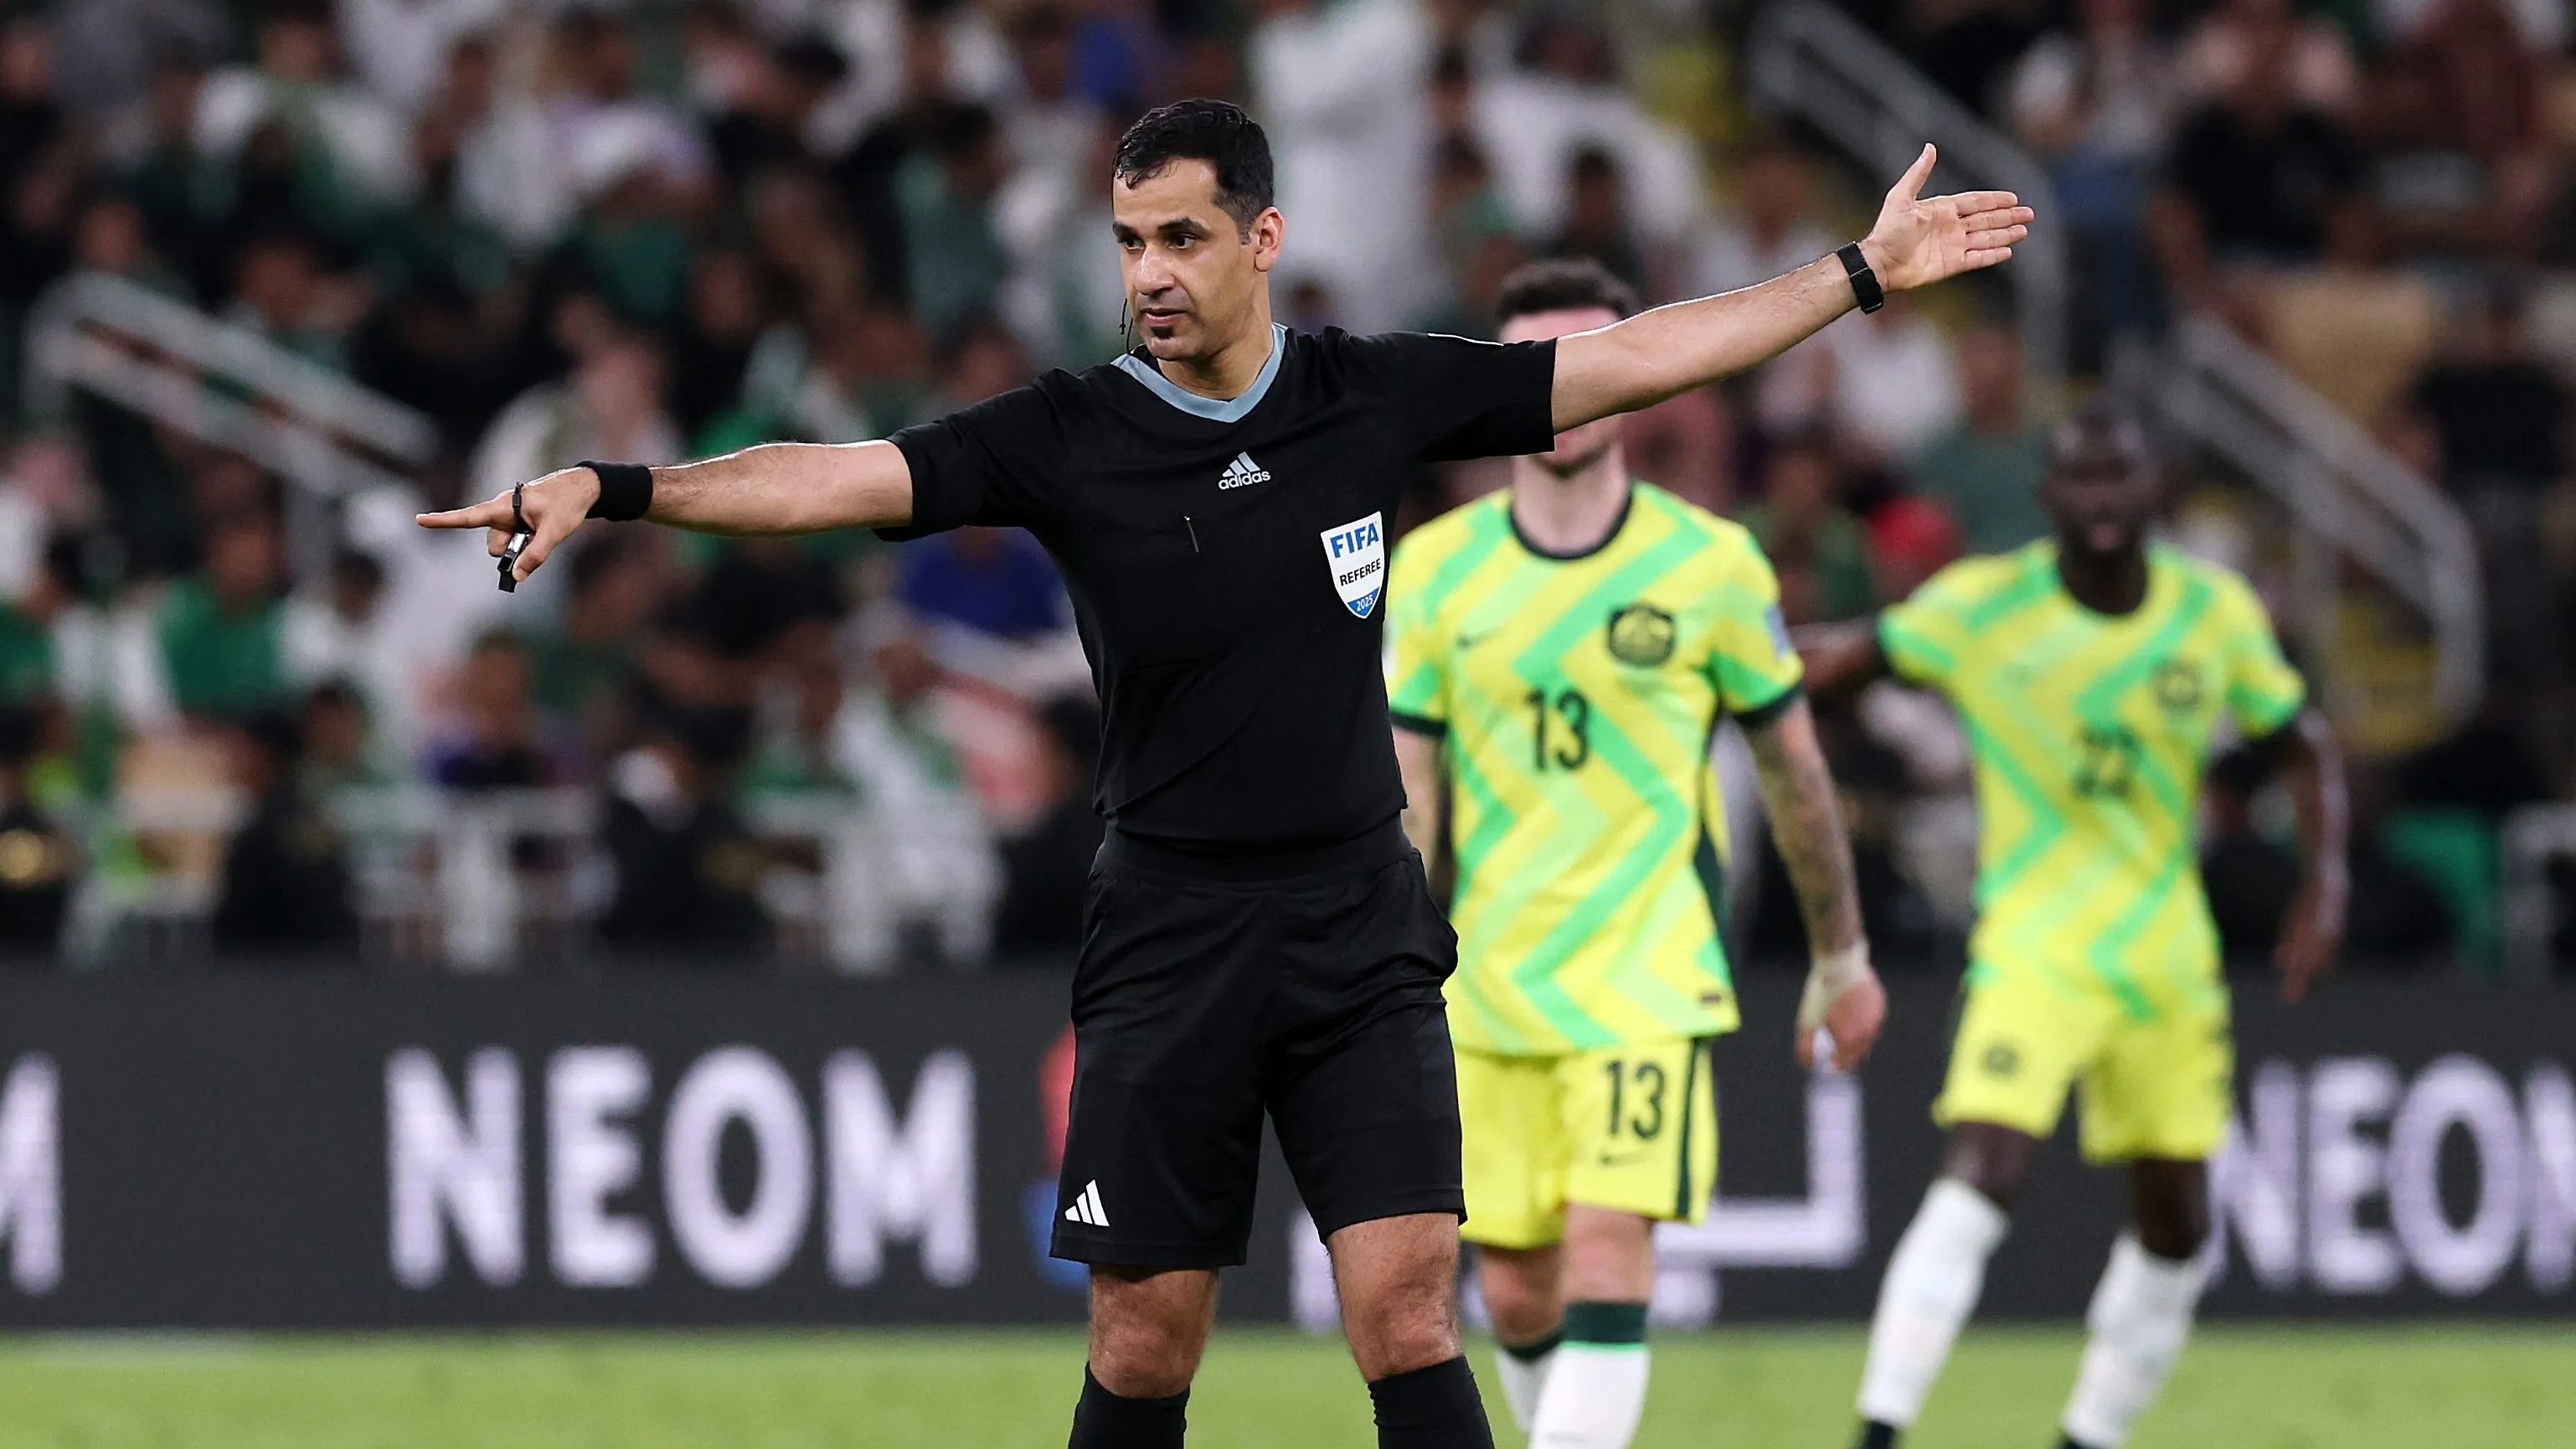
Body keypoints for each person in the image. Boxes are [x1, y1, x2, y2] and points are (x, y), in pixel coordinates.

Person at [421, 100, 2029, 1449]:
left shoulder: (1363, 396)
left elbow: (1632, 363)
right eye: (1127, 244)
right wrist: (615, 484)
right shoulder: (1067, 433)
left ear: (1260, 238)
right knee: (1144, 1347)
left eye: (1181, 238)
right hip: (1171, 929)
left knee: (1406, 1310)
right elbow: (827, 480)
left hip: (1355, 922)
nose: (1149, 276)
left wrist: (1858, 278)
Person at [1384, 258, 1883, 1449]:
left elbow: (1795, 769)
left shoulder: (1709, 564)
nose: (1565, 395)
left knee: (1608, 1247)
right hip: (1486, 984)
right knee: (1511, 1289)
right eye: (1534, 370)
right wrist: (1377, 974)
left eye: (1586, 364)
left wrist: (1842, 951)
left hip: (1644, 974)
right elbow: (1411, 798)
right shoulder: (1438, 571)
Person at [1797, 406, 2348, 1449]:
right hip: (2034, 945)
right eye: (2079, 481)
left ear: (2156, 490)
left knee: (2177, 1221)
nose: (2100, 499)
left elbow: (2302, 744)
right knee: (1984, 1168)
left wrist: (2324, 888)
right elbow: (1840, 661)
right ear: (2047, 497)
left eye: (2120, 479)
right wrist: (1725, 655)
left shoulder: (2211, 612)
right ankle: (1878, 1428)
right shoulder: (1985, 607)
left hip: (2165, 956)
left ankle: (2089, 1434)